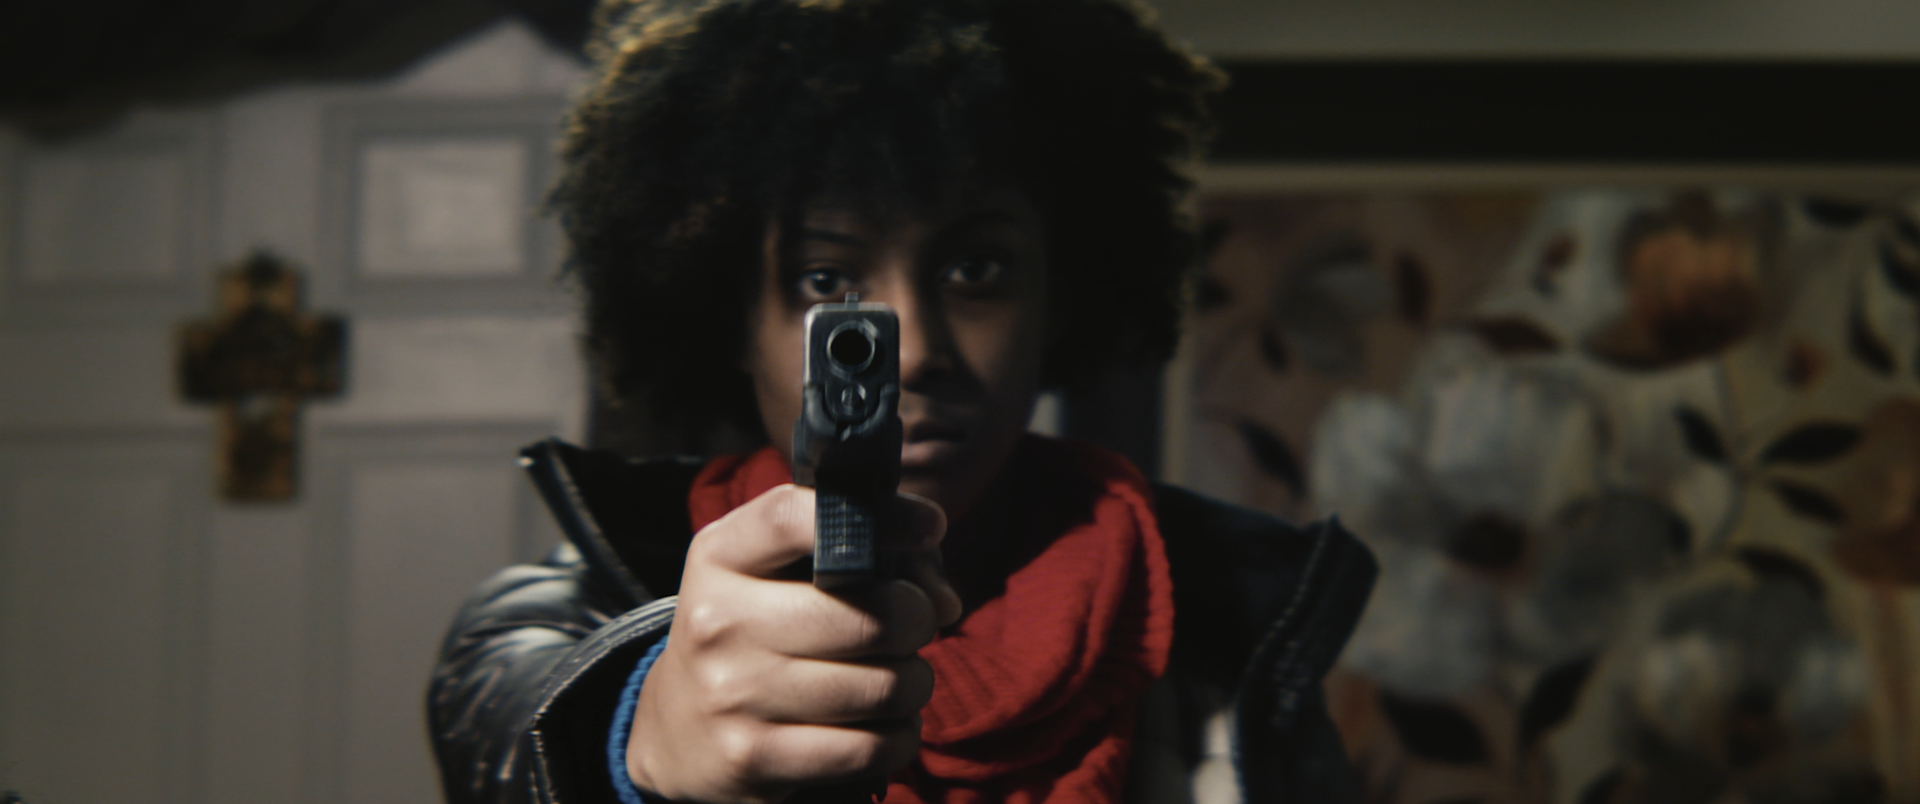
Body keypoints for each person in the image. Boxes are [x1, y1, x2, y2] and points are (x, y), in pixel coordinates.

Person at [427, 1, 1377, 802]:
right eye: (825, 282)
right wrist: (639, 727)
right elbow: (506, 717)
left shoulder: (1237, 625)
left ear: (1061, 293)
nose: (912, 350)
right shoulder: (572, 604)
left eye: (977, 270)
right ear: (731, 321)